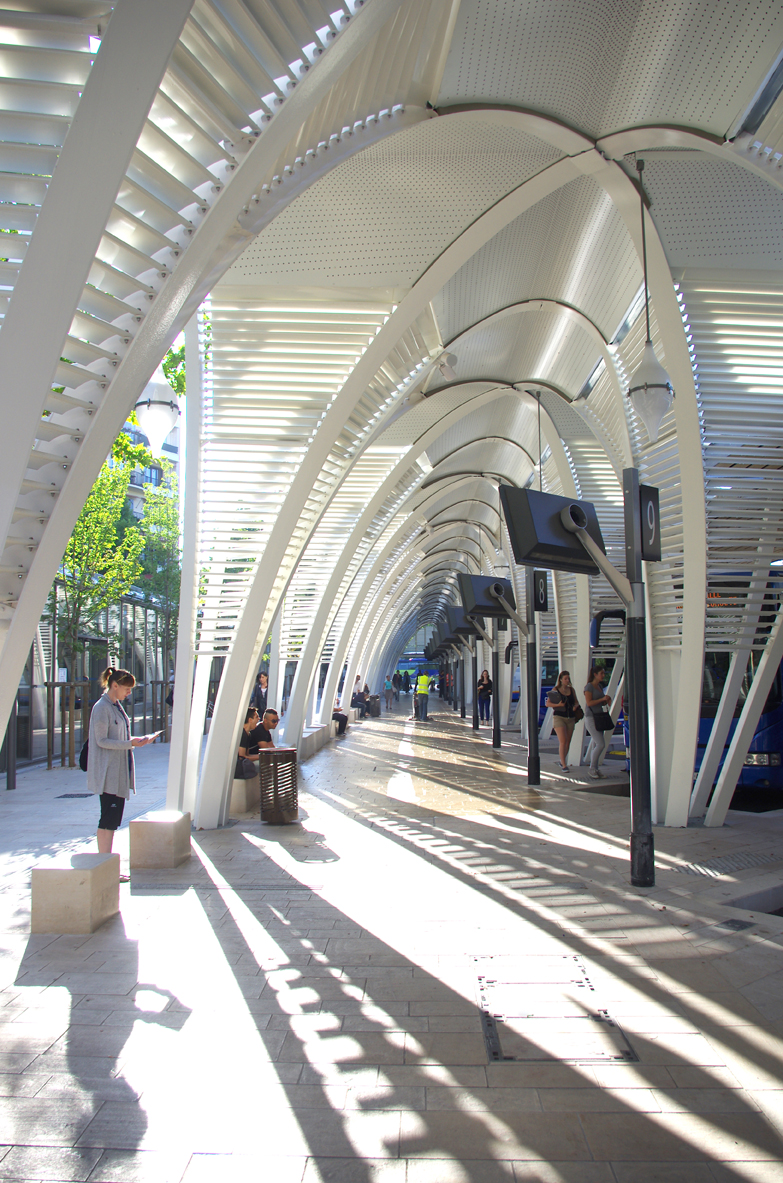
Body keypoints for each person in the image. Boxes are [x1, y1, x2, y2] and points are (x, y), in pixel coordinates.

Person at [87, 667, 156, 879]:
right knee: (107, 819)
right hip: (108, 773)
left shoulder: (115, 706)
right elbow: (101, 741)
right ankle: (105, 868)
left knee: (112, 820)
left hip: (117, 772)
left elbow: (117, 736)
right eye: (127, 689)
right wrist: (130, 743)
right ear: (114, 685)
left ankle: (107, 867)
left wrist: (136, 740)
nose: (129, 693)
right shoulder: (102, 708)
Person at [547, 670, 579, 771]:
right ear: (561, 680)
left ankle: (562, 760)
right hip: (559, 717)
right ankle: (564, 765)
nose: (567, 680)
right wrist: (558, 705)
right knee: (563, 741)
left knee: (568, 742)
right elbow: (548, 703)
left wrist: (575, 706)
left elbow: (576, 702)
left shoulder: (571, 690)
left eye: (568, 679)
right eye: (565, 679)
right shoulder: (556, 690)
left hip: (570, 717)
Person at [584, 666, 612, 779]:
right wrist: (602, 699)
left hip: (599, 716)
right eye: (601, 673)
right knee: (600, 744)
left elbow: (600, 703)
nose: (603, 675)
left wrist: (605, 701)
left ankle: (595, 768)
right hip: (591, 717)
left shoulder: (599, 687)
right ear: (595, 674)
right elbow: (589, 703)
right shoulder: (589, 687)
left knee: (598, 743)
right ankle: (592, 768)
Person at [236, 707, 263, 779]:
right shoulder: (242, 734)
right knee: (261, 766)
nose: (259, 719)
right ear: (250, 720)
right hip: (237, 767)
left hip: (242, 764)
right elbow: (242, 757)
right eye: (256, 717)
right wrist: (261, 757)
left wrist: (261, 756)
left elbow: (247, 755)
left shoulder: (248, 734)